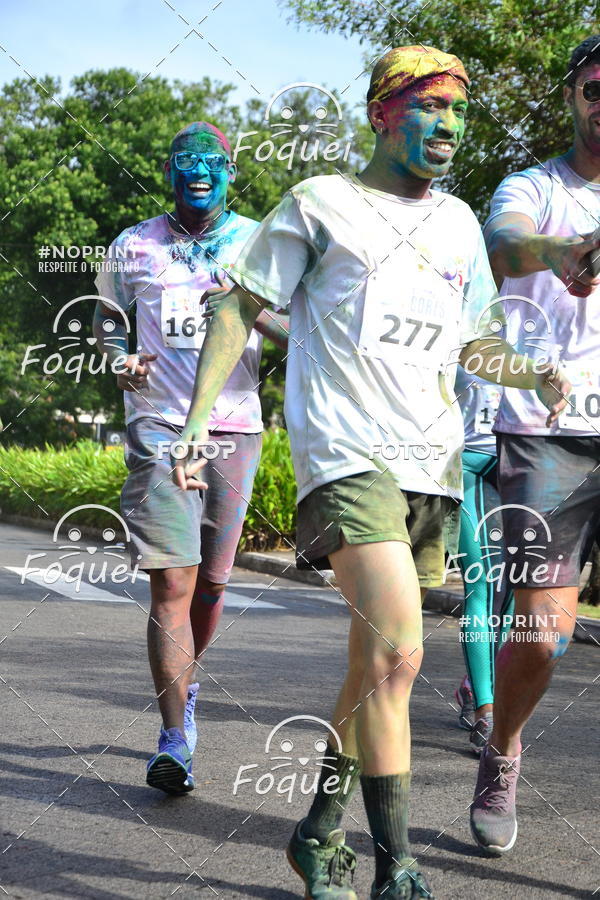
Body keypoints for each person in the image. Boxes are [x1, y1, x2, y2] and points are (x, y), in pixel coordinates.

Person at [174, 47, 567, 899]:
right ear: (384, 113)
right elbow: (241, 305)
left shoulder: (460, 223)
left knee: (375, 664)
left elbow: (474, 342)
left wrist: (530, 372)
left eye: (459, 113)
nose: (450, 127)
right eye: (431, 107)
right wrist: (198, 420)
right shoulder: (321, 204)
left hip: (431, 462)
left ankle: (318, 831)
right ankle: (399, 867)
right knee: (403, 647)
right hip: (345, 455)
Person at [93, 121, 288, 794]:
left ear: (231, 169)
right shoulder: (133, 244)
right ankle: (173, 737)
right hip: (157, 426)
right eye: (185, 161)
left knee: (211, 584)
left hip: (235, 429)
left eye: (211, 161)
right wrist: (116, 354)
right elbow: (108, 313)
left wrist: (249, 311)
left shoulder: (261, 241)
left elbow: (300, 331)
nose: (198, 170)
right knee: (171, 584)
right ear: (168, 171)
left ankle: (188, 684)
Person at [470, 34, 600, 856]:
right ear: (574, 95)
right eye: (596, 85)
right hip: (548, 436)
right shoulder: (533, 187)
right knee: (545, 630)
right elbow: (503, 244)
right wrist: (560, 253)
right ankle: (503, 748)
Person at [452, 368, 514, 755]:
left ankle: (475, 685)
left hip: (524, 464)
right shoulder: (461, 316)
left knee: (511, 593)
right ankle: (487, 713)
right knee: (481, 585)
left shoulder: (545, 321)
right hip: (469, 464)